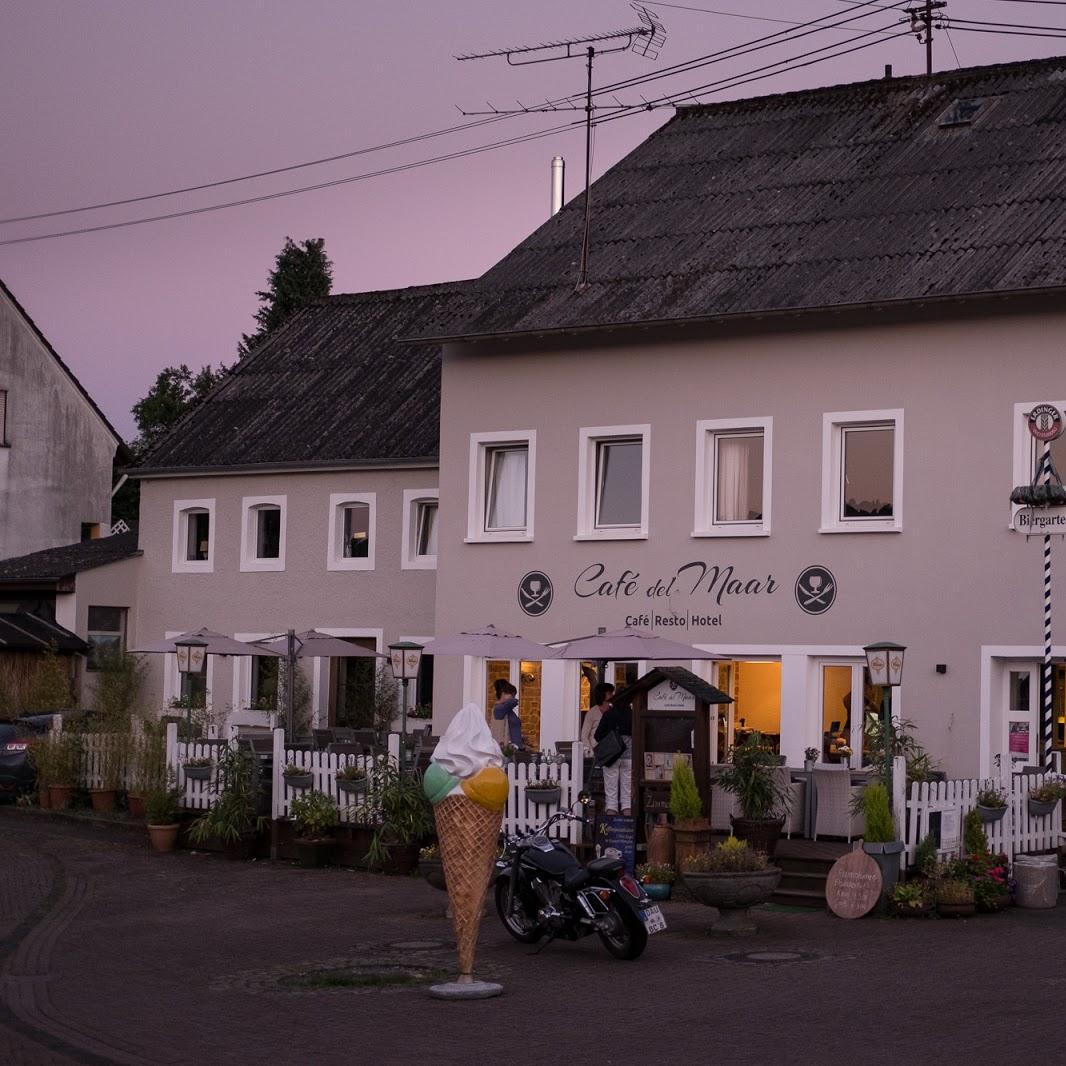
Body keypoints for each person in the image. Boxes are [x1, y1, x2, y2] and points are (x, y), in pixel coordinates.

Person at [594, 698, 633, 817]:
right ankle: (627, 815)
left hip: (611, 756)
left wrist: (610, 738)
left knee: (611, 791)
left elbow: (597, 735)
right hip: (629, 756)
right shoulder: (633, 714)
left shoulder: (609, 714)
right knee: (627, 790)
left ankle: (611, 816)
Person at [581, 681, 614, 750]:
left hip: (611, 751)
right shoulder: (592, 713)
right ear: (602, 695)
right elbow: (584, 736)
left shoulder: (613, 711)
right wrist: (591, 752)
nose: (612, 695)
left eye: (612, 693)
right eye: (609, 693)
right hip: (596, 750)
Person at [491, 680, 525, 749]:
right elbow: (513, 702)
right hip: (508, 750)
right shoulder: (499, 708)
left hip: (516, 748)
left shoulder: (508, 710)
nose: (513, 697)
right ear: (503, 694)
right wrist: (500, 701)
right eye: (512, 695)